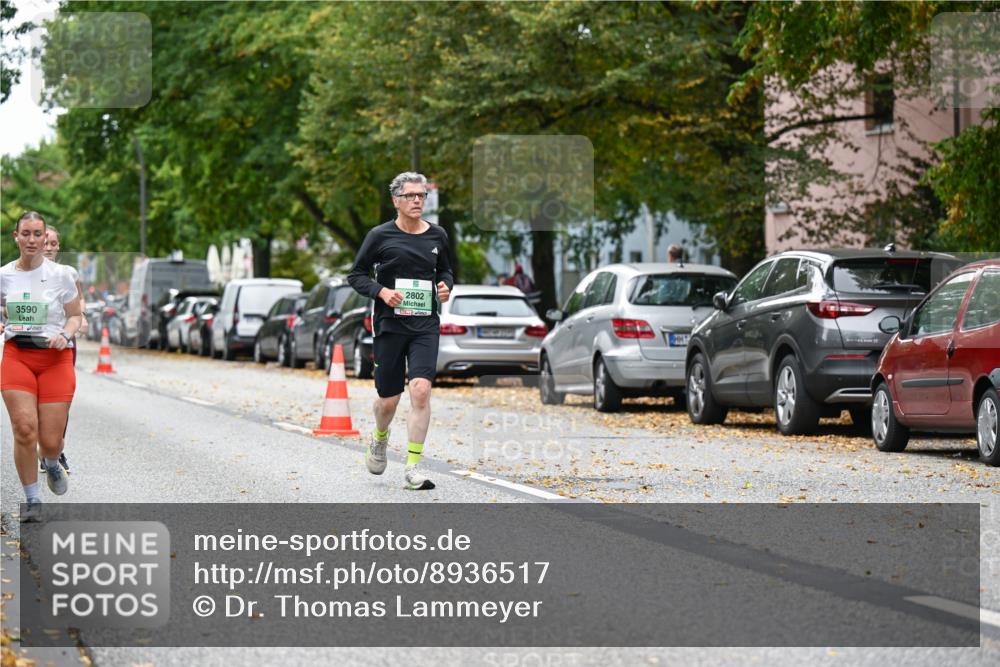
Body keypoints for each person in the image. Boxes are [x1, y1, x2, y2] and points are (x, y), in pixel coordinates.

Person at [347, 172, 454, 490]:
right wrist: (381, 292)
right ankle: (380, 438)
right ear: (396, 201)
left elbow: (445, 269)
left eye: (422, 195)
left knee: (420, 390)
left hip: (425, 325)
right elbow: (356, 274)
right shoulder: (379, 236)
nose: (418, 200)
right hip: (390, 325)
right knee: (388, 400)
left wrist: (446, 285)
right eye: (411, 196)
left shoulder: (438, 236)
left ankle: (413, 467)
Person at [1, 212, 83, 521]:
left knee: (50, 441)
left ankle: (50, 461)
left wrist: (66, 333)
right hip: (17, 356)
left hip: (54, 359)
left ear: (44, 236)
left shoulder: (62, 274)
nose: (32, 240)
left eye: (38, 234)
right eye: (26, 233)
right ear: (16, 237)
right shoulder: (4, 275)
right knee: (24, 429)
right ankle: (32, 500)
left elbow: (75, 314)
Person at [39, 226, 86, 474]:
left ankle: (56, 451)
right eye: (45, 242)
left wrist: (82, 318)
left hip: (64, 342)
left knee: (60, 401)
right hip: (33, 344)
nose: (49, 247)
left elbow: (79, 302)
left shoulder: (68, 273)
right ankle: (44, 447)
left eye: (54, 244)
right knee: (36, 403)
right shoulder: (22, 272)